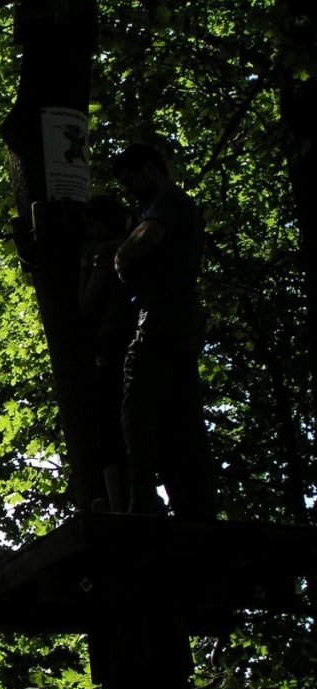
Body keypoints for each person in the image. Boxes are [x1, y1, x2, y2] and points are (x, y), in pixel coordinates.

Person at [112, 143, 214, 518]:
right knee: (183, 414)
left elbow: (149, 236)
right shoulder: (184, 205)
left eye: (131, 178)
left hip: (161, 316)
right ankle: (196, 503)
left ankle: (143, 502)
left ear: (150, 170)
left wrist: (122, 254)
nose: (128, 188)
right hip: (185, 320)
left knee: (137, 410)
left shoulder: (167, 201)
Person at [79, 195, 135, 513]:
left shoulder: (105, 251)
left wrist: (85, 265)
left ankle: (118, 504)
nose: (89, 233)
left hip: (111, 339)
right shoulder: (133, 246)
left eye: (91, 225)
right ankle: (138, 497)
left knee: (109, 421)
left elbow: (86, 306)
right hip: (136, 336)